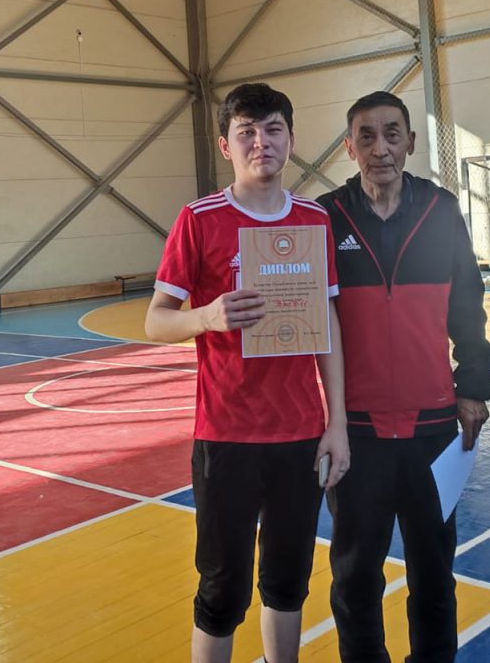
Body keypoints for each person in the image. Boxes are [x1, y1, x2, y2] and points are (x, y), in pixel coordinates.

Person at [144, 83, 349, 663]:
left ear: (291, 138)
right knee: (222, 590)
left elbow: (327, 325)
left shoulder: (313, 219)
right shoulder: (199, 219)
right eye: (247, 133)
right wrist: (206, 316)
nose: (262, 142)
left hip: (300, 435)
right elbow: (155, 321)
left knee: (288, 582)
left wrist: (336, 424)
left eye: (273, 129)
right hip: (226, 437)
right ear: (225, 145)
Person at [316, 91, 490, 663]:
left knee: (434, 573)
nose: (380, 149)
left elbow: (467, 301)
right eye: (365, 137)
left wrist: (473, 386)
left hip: (433, 429)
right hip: (356, 433)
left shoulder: (441, 209)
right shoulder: (324, 218)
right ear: (349, 148)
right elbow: (306, 314)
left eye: (392, 134)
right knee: (354, 577)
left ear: (411, 142)